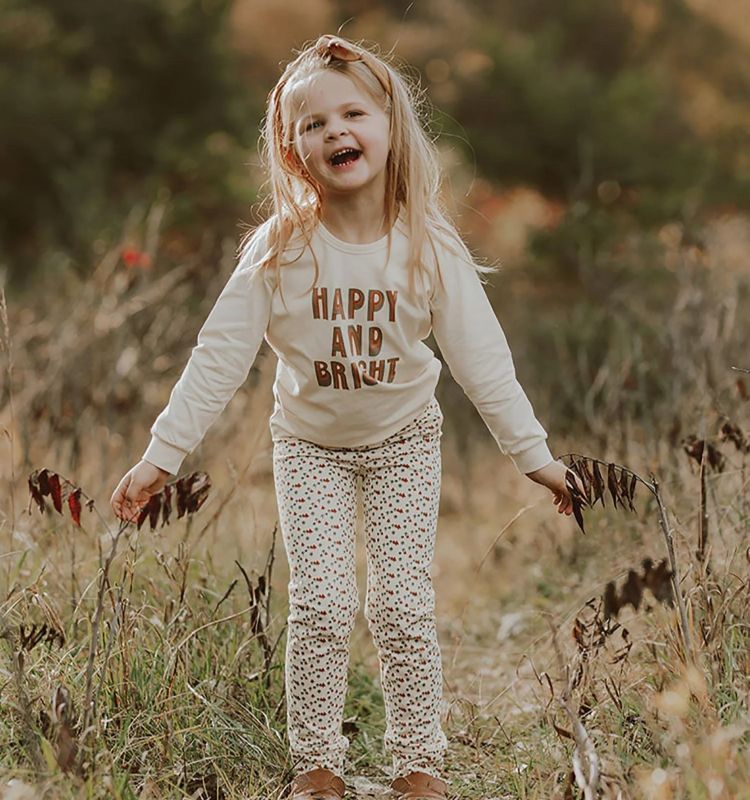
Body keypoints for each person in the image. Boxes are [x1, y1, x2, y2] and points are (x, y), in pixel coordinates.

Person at [110, 33, 580, 800]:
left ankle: (418, 764)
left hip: (404, 443)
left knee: (399, 607)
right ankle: (316, 766)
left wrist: (535, 458)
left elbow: (483, 361)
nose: (336, 131)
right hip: (309, 448)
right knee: (323, 606)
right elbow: (218, 358)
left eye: (353, 113)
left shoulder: (430, 248)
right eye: (314, 124)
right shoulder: (279, 250)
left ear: (390, 126)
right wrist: (161, 456)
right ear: (293, 150)